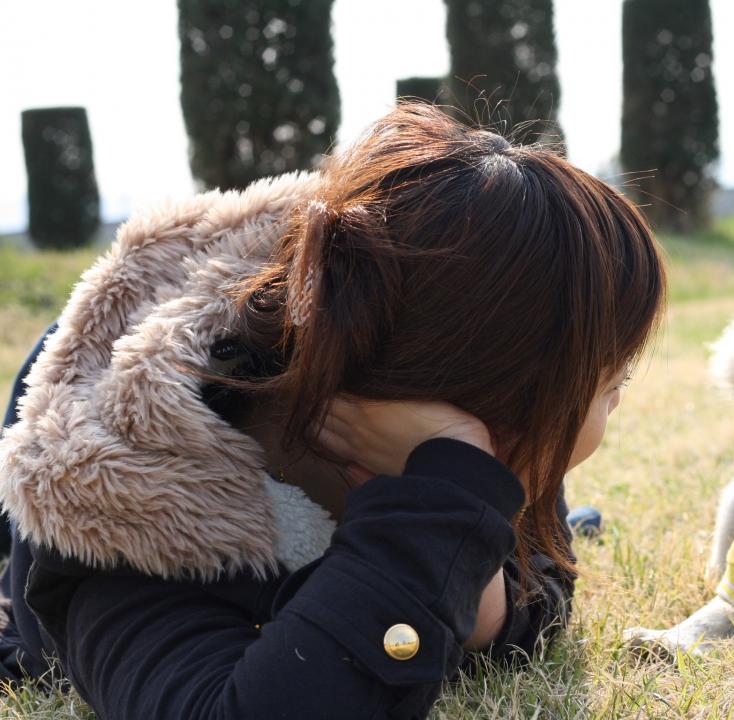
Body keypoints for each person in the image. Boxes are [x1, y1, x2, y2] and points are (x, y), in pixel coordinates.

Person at [0, 104, 666, 719]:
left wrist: (456, 517)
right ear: (491, 396)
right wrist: (446, 497)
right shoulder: (134, 497)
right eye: (612, 383)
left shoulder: (455, 411)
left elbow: (544, 590)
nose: (617, 403)